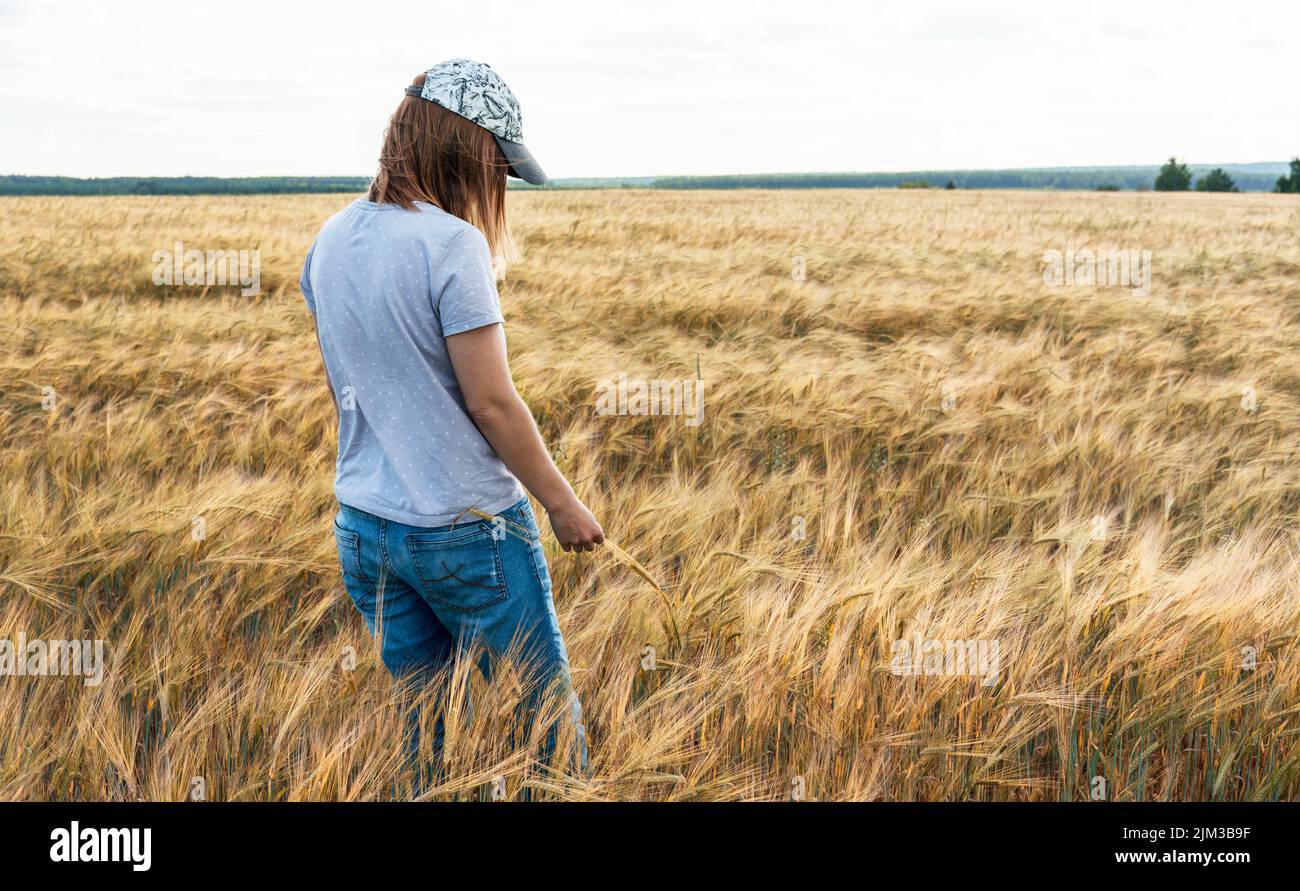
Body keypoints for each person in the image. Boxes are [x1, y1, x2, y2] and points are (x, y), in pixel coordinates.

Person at [299, 59, 602, 789]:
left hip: (367, 529)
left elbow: (362, 381)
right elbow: (491, 402)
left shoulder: (330, 238)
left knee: (422, 735)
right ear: (466, 150)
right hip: (468, 531)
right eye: (497, 165)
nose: (497, 185)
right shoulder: (451, 245)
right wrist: (563, 503)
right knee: (549, 735)